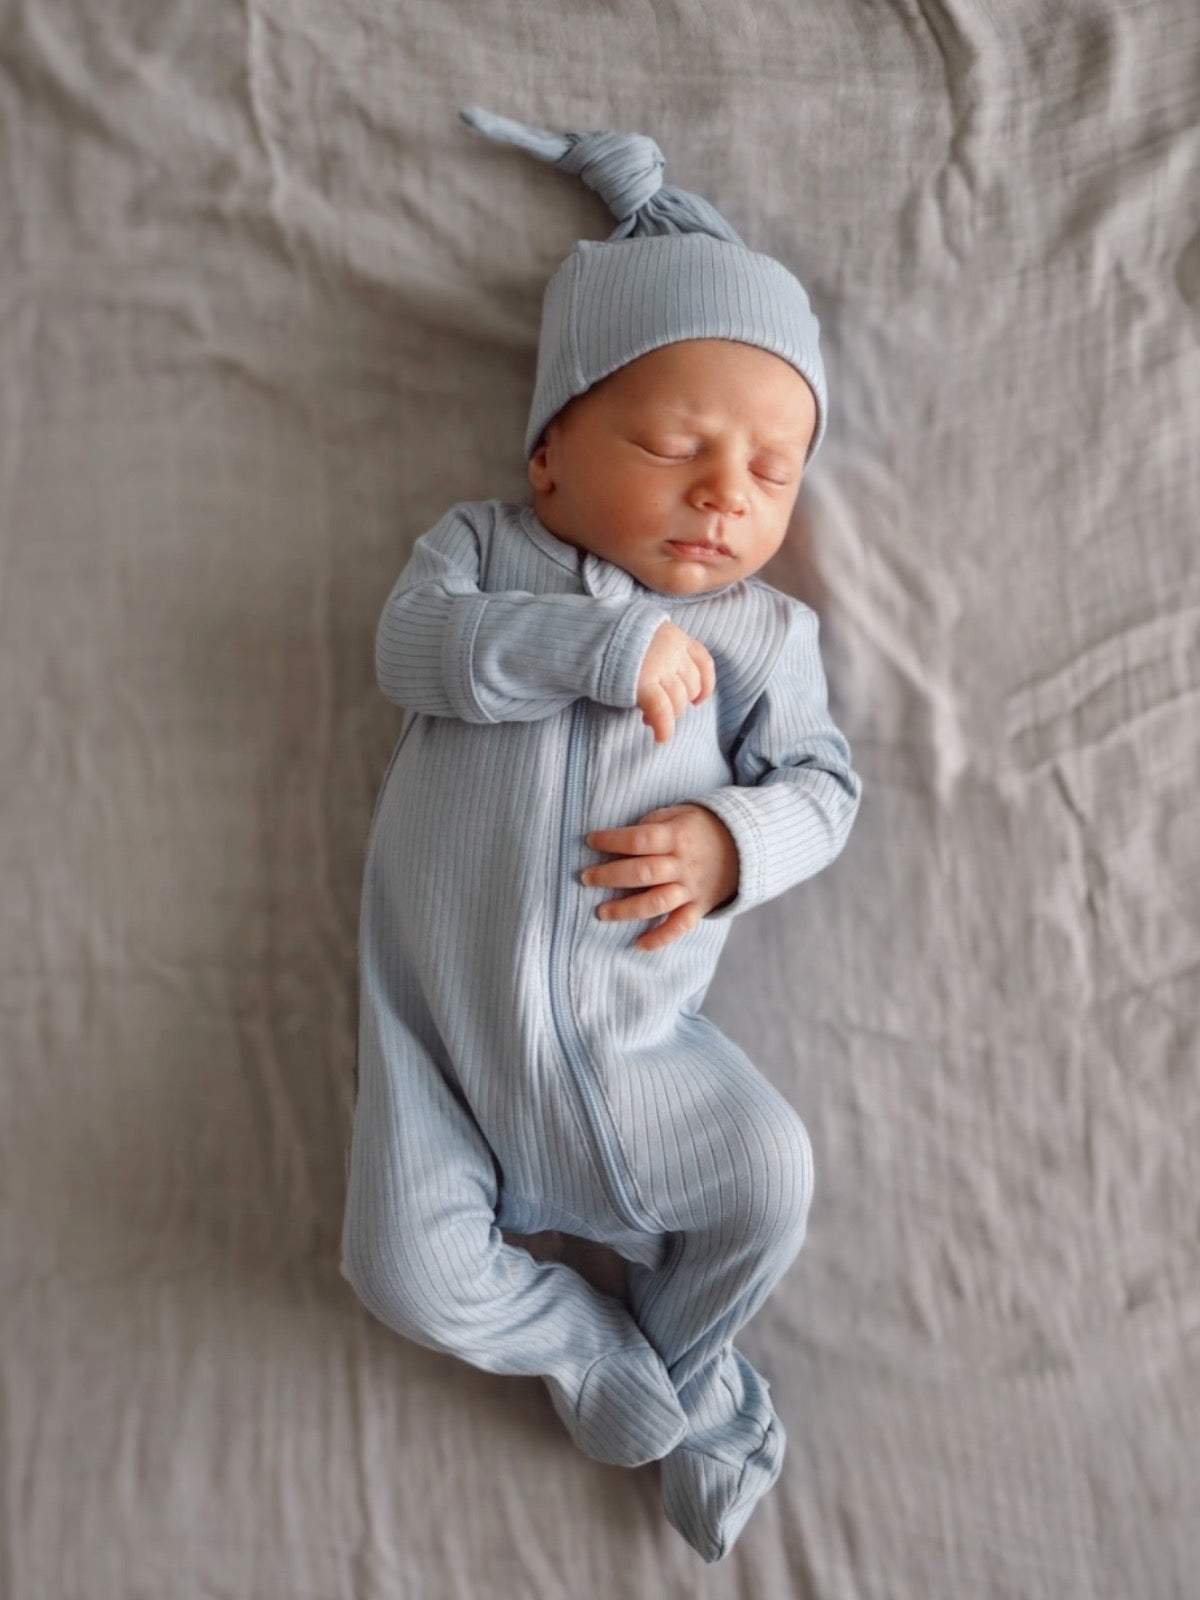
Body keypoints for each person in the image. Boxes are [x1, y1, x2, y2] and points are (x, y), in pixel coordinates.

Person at [340, 106, 861, 1563]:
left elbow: (826, 788)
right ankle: (618, 1378)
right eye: (680, 444)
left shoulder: (763, 630)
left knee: (772, 1178)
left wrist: (729, 838)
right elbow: (412, 653)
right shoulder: (485, 554)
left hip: (642, 1061)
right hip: (437, 1051)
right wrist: (586, 646)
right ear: (553, 451)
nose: (724, 494)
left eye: (771, 470)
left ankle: (681, 1370)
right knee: (401, 1268)